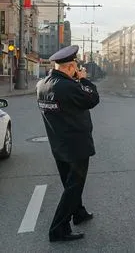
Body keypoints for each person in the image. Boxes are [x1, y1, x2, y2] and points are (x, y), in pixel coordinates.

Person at [36, 45, 100, 242]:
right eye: (75, 67)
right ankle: (58, 229)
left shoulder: (42, 84)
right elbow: (92, 98)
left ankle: (78, 212)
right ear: (70, 66)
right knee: (74, 186)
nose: (77, 70)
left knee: (69, 182)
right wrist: (83, 78)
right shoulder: (67, 86)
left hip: (58, 143)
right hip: (76, 144)